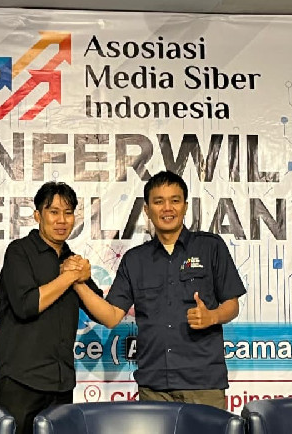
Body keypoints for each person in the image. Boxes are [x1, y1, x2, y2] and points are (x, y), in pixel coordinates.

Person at [72, 170, 246, 410]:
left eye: (175, 200)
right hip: (153, 387)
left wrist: (212, 316)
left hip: (203, 384)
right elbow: (111, 316)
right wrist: (77, 282)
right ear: (147, 209)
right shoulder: (135, 260)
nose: (167, 208)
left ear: (185, 206)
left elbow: (232, 305)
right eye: (159, 201)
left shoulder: (210, 247)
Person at [0, 181, 101, 434]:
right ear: (37, 215)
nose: (61, 220)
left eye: (68, 213)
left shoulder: (72, 260)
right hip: (20, 382)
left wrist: (80, 276)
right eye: (53, 212)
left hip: (61, 384)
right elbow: (26, 306)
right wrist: (69, 277)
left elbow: (99, 308)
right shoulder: (19, 252)